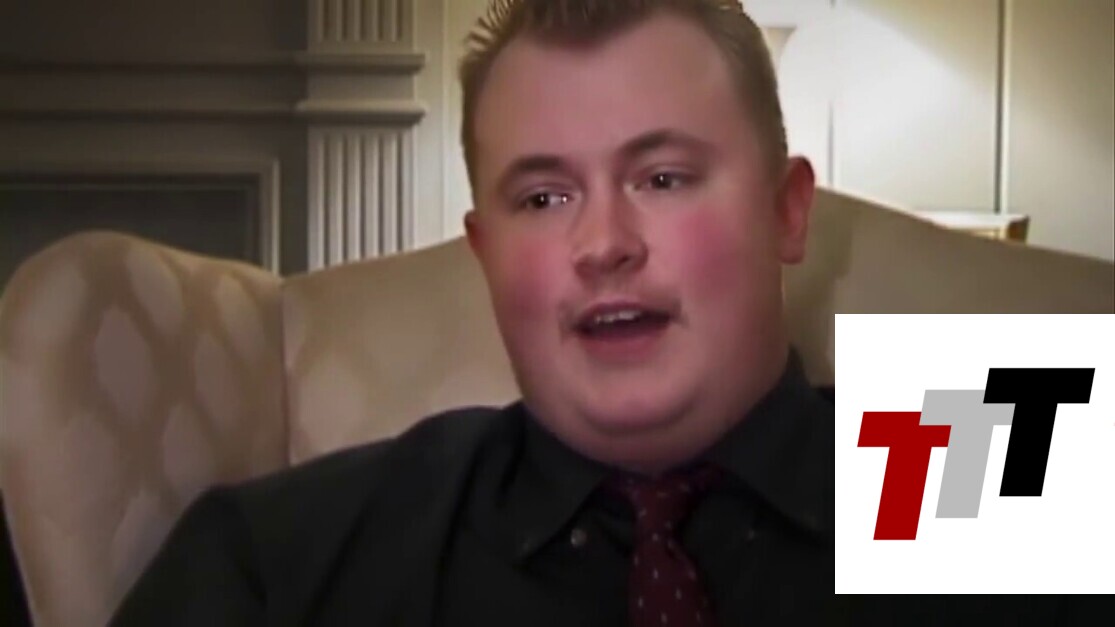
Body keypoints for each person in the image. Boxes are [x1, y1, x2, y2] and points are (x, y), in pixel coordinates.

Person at [108, 1, 1090, 625]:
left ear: (785, 212)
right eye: (542, 197)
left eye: (661, 177)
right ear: (485, 253)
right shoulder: (287, 560)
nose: (603, 243)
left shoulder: (1007, 457)